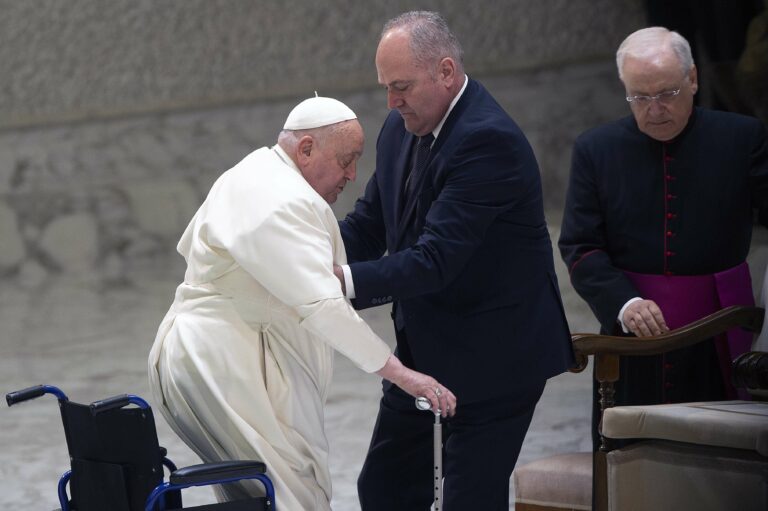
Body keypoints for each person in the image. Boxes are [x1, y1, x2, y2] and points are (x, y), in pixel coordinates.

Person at [147, 96, 456, 511]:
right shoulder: (281, 198)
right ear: (306, 148)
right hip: (223, 364)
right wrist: (403, 375)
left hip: (204, 359)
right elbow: (322, 304)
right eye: (346, 160)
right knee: (292, 498)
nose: (351, 174)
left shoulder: (259, 172)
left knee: (253, 495)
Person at [334, 11, 574, 510]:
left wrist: (341, 284)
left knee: (470, 500)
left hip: (495, 359)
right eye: (385, 87)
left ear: (445, 71)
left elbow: (434, 260)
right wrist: (303, 254)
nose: (391, 101)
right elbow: (371, 223)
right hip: (426, 352)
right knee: (384, 489)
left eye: (401, 86)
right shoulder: (400, 129)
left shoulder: (489, 142)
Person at [558, 26, 768, 449]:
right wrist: (624, 302)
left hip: (721, 326)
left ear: (693, 79)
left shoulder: (743, 138)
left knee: (724, 461)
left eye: (667, 93)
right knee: (633, 458)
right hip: (634, 336)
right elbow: (580, 246)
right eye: (640, 97)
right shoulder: (595, 150)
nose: (655, 109)